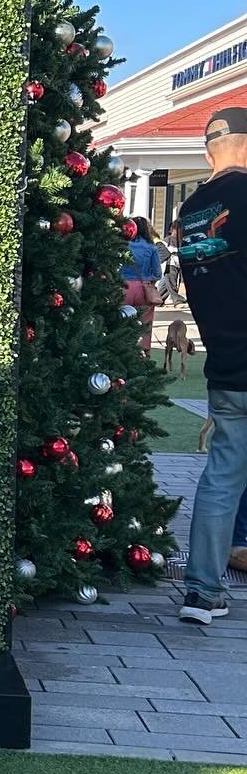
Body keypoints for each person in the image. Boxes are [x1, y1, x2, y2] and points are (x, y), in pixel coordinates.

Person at [177, 106, 247, 624]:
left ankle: (202, 591)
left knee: (222, 477)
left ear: (209, 150)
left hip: (227, 364)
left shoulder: (190, 209)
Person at [121, 216, 163, 352]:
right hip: (144, 288)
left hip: (123, 286)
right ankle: (143, 354)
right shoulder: (151, 248)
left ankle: (124, 351)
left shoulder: (123, 245)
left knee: (122, 321)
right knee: (145, 324)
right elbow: (157, 273)